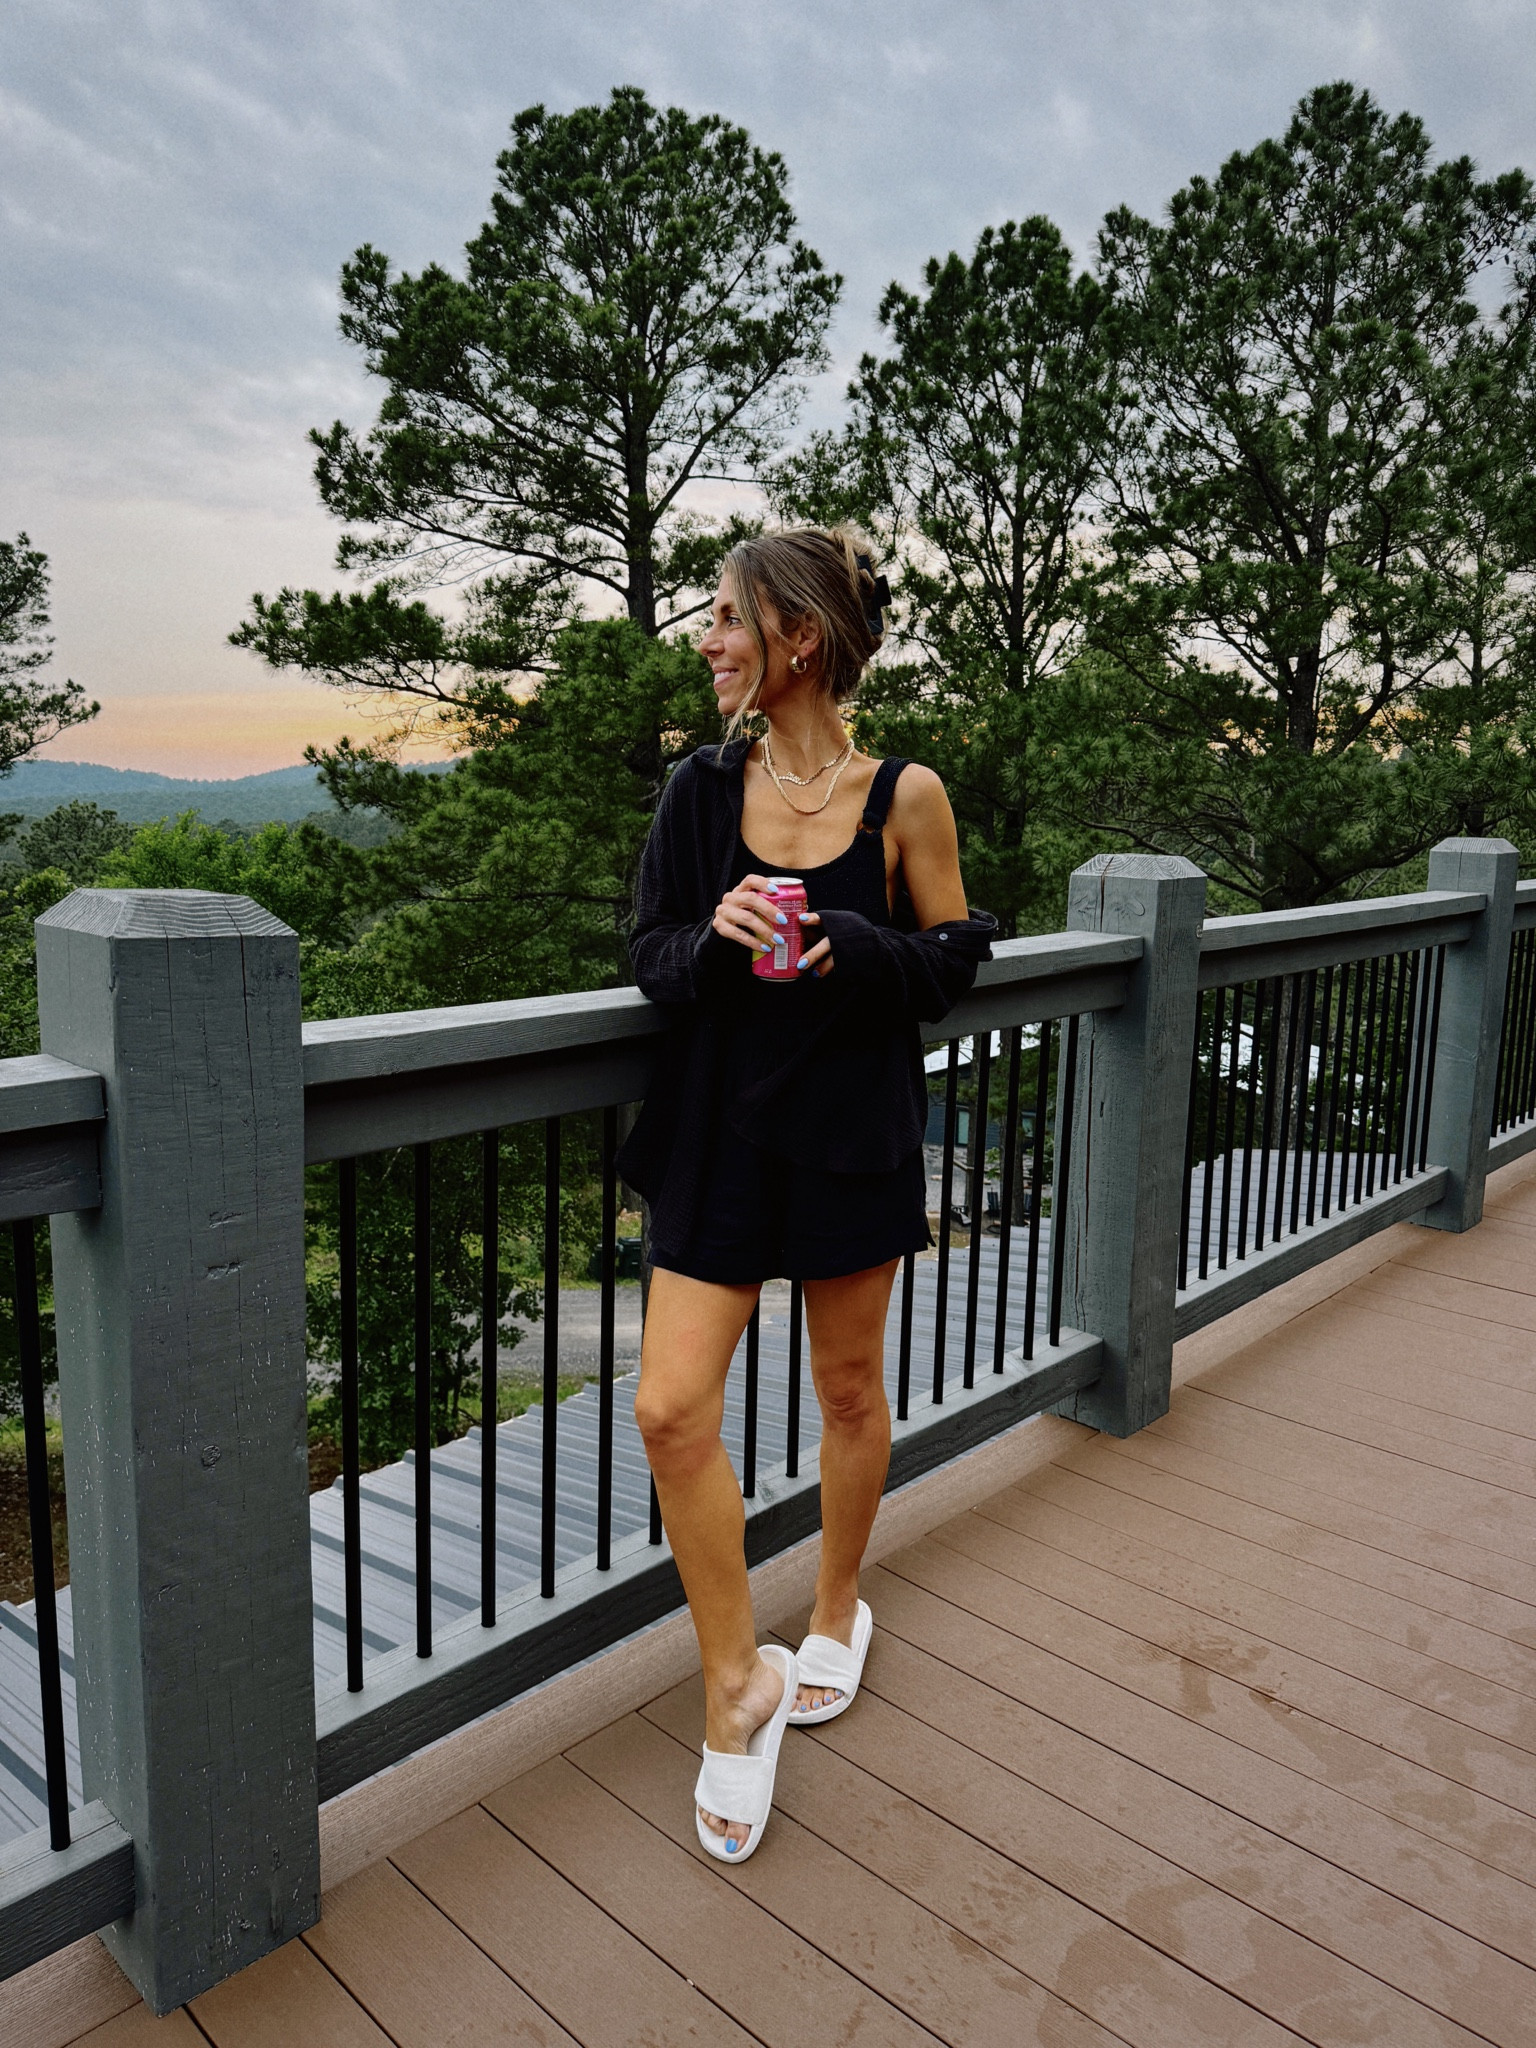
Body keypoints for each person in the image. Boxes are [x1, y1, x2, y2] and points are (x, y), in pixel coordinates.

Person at [618, 526, 995, 1860]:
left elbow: (954, 955)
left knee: (846, 1391)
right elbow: (650, 953)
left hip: (850, 1139)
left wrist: (854, 947)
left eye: (726, 619)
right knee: (670, 1411)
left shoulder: (905, 794)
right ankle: (740, 1680)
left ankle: (836, 1611)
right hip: (719, 1139)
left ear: (798, 638)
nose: (709, 641)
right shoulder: (697, 795)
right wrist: (713, 941)